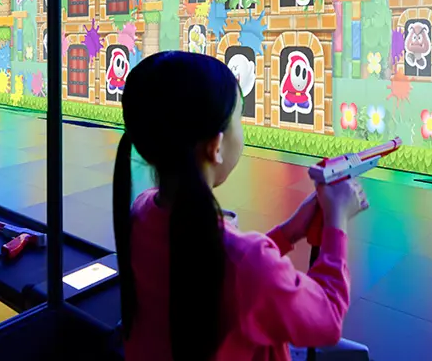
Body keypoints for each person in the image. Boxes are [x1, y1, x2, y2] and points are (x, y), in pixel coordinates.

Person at [113, 51, 371, 361]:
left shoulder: (141, 213)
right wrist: (336, 220)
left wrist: (288, 232)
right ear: (216, 146)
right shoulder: (249, 265)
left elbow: (214, 266)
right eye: (238, 117)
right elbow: (327, 319)